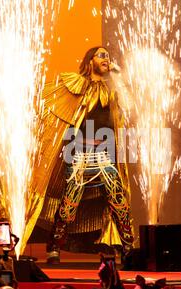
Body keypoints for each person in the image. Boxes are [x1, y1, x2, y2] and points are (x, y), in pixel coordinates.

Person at [24, 46, 134, 264]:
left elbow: (128, 110)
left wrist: (118, 76)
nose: (107, 59)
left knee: (118, 198)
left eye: (108, 57)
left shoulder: (111, 89)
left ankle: (128, 247)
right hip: (80, 152)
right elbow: (52, 103)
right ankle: (54, 247)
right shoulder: (76, 84)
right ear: (90, 60)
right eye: (102, 55)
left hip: (104, 154)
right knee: (70, 200)